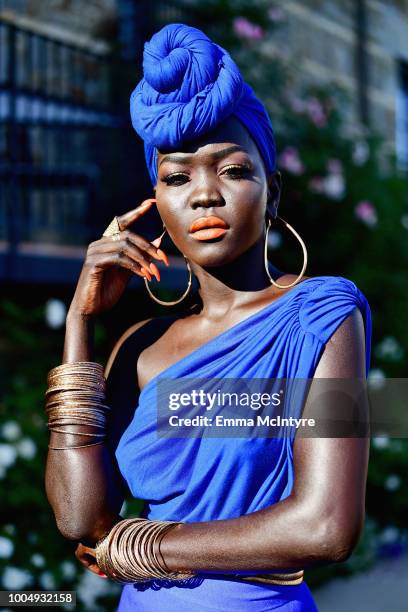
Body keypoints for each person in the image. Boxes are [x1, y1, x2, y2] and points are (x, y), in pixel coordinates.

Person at [45, 23, 372, 611]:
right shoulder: (140, 346)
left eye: (232, 170)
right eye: (176, 177)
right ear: (156, 203)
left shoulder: (324, 315)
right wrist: (79, 324)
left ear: (271, 191)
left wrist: (136, 548)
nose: (203, 195)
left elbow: (326, 527)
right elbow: (79, 518)